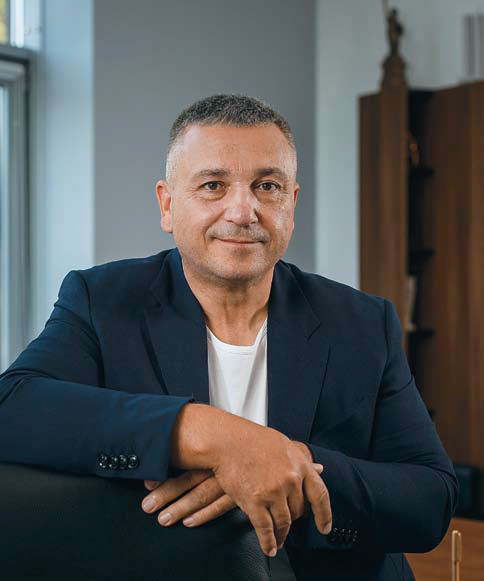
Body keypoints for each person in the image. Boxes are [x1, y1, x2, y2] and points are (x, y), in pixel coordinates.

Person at [0, 94, 457, 580]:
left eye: (267, 186)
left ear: (291, 203)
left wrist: (289, 468)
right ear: (168, 205)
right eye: (213, 185)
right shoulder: (101, 301)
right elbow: (14, 407)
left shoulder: (363, 322)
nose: (243, 210)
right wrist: (213, 438)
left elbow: (431, 499)